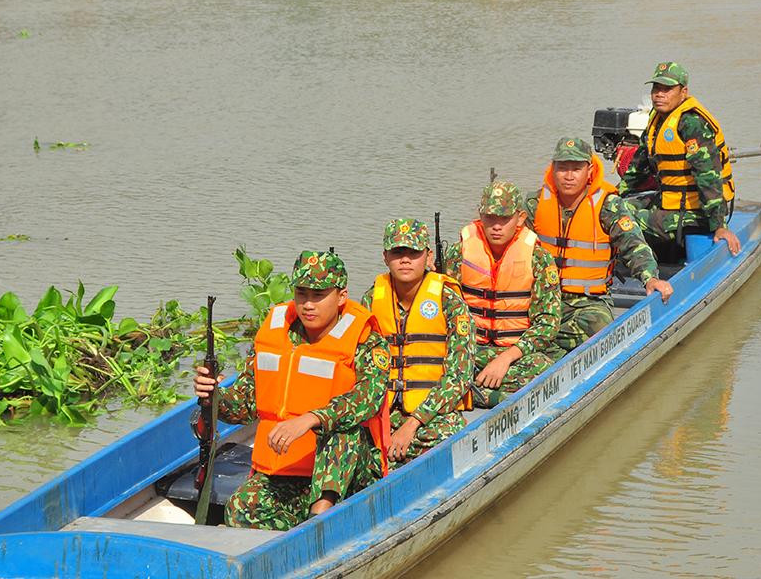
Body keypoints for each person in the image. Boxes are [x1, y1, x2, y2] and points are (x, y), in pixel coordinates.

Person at [192, 251, 390, 531]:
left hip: (346, 472)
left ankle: (322, 514)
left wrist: (311, 418)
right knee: (239, 510)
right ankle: (298, 530)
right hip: (288, 468)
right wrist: (213, 396)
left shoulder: (366, 340)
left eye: (318, 295)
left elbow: (368, 399)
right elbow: (245, 404)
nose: (308, 304)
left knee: (342, 426)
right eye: (301, 294)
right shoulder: (276, 335)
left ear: (342, 296)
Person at [526, 137, 674, 360]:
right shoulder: (534, 204)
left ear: (589, 170)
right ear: (553, 168)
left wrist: (650, 278)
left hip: (587, 303)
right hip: (540, 298)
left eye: (576, 169)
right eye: (562, 168)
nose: (568, 176)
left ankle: (551, 353)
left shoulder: (608, 205)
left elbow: (633, 245)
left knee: (598, 330)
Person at [360, 218, 475, 467]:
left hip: (433, 413)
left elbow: (460, 376)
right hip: (383, 411)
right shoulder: (371, 300)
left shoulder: (450, 301)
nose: (405, 260)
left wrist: (413, 423)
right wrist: (383, 425)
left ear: (428, 256)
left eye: (413, 253)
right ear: (385, 256)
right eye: (397, 252)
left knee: (445, 440)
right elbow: (360, 369)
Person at [443, 181, 561, 407]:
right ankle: (484, 391)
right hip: (470, 351)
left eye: (504, 219)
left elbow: (547, 324)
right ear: (480, 216)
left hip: (517, 352)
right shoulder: (458, 254)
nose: (497, 226)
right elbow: (446, 311)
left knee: (543, 368)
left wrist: (505, 359)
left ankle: (471, 391)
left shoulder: (539, 259)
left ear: (520, 218)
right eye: (490, 218)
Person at [618, 62, 742, 255]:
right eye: (656, 88)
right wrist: (615, 194)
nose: (659, 94)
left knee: (620, 216)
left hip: (694, 213)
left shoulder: (692, 123)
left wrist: (719, 225)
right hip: (669, 202)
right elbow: (639, 167)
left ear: (683, 92)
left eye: (667, 89)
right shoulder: (657, 118)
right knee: (614, 206)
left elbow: (707, 176)